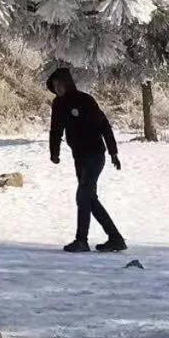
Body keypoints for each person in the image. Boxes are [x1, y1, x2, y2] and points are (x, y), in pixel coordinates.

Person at [47, 66, 126, 254]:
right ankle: (115, 238)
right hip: (79, 157)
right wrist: (54, 152)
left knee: (83, 196)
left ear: (68, 83)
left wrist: (113, 152)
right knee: (89, 199)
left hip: (95, 155)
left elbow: (104, 126)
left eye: (60, 84)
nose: (58, 88)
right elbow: (55, 130)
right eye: (55, 85)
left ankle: (81, 240)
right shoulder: (58, 105)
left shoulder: (85, 100)